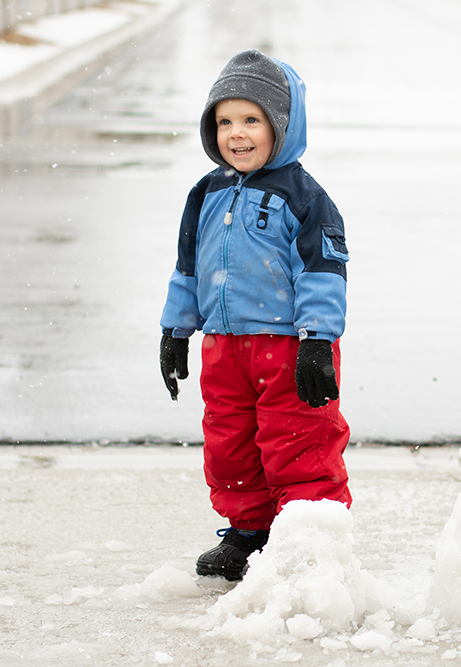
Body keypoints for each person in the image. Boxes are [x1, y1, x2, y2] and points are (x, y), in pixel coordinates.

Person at [158, 49, 352, 581]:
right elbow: (188, 267)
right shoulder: (207, 192)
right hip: (225, 346)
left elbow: (323, 271)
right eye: (224, 121)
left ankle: (310, 542)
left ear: (282, 127)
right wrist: (175, 331)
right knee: (230, 445)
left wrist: (317, 340)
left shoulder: (305, 199)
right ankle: (249, 534)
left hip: (289, 348)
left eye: (251, 120)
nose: (236, 134)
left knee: (298, 443)